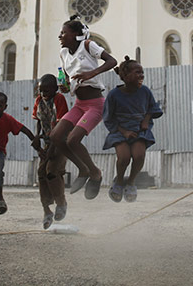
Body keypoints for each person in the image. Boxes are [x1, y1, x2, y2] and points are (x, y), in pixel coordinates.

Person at [49, 14, 117, 200]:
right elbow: (68, 79)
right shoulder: (63, 54)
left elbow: (112, 61)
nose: (60, 36)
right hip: (79, 104)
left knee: (72, 140)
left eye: (63, 33)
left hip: (95, 105)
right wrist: (64, 86)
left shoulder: (88, 45)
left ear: (75, 35)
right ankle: (83, 169)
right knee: (55, 136)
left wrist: (92, 73)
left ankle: (95, 173)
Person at [103, 57, 163, 202]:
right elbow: (108, 118)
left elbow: (152, 108)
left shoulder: (145, 91)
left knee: (139, 156)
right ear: (125, 75)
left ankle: (130, 182)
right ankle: (118, 182)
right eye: (137, 73)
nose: (141, 76)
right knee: (124, 157)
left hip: (139, 131)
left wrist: (146, 120)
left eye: (142, 73)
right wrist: (123, 132)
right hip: (120, 131)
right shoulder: (114, 95)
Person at [32, 74, 69, 229]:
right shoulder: (39, 101)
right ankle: (46, 210)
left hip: (60, 142)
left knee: (52, 171)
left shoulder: (59, 100)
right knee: (41, 172)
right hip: (47, 143)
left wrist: (53, 149)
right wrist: (37, 138)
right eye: (41, 90)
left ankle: (61, 203)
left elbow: (61, 126)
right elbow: (40, 121)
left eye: (47, 90)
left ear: (55, 89)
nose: (44, 94)